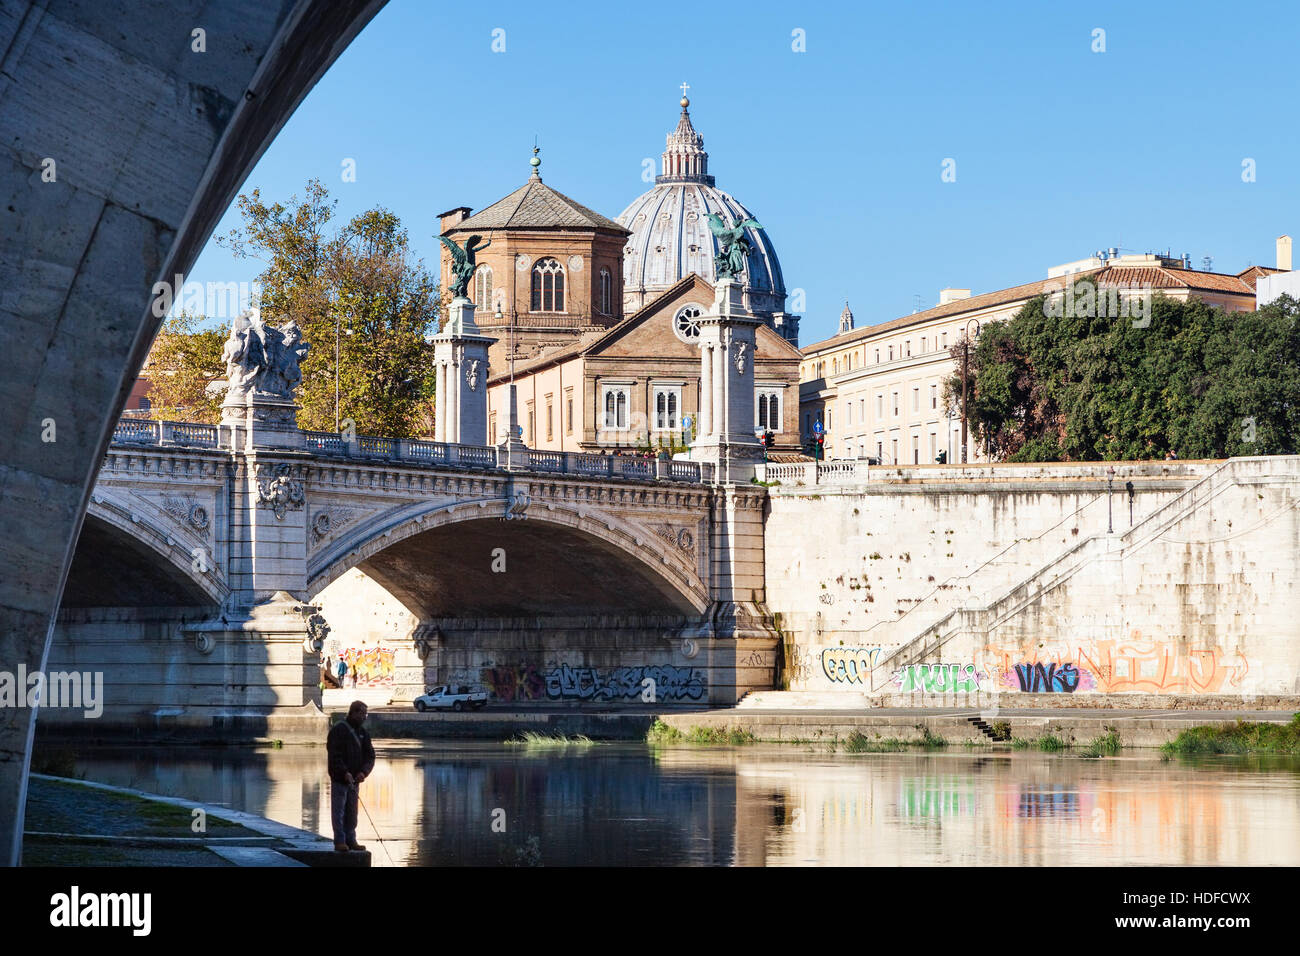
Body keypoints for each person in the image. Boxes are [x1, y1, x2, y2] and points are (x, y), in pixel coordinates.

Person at [326, 700, 376, 852]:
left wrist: (363, 772)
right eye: (362, 714)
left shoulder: (363, 733)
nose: (364, 717)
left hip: (355, 780)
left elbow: (370, 756)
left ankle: (351, 839)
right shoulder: (338, 730)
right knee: (339, 811)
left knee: (352, 812)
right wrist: (344, 772)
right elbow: (334, 755)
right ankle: (340, 841)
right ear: (353, 712)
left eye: (365, 714)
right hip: (340, 779)